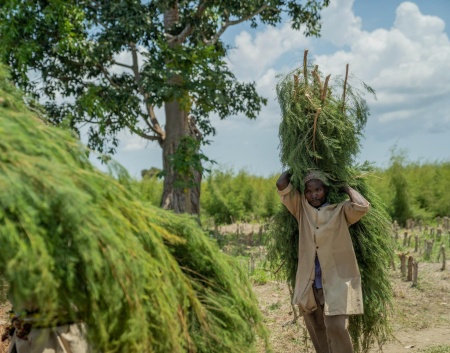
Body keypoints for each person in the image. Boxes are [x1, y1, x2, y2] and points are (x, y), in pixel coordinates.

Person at [276, 169, 370, 353]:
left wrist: (344, 187)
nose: (313, 195)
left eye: (318, 189)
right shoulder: (301, 209)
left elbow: (361, 206)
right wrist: (298, 167)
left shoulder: (340, 210)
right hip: (310, 283)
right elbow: (281, 184)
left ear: (325, 189)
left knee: (337, 327)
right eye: (309, 191)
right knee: (318, 330)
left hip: (337, 281)